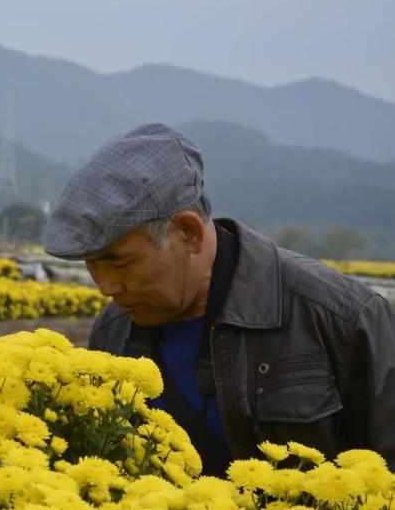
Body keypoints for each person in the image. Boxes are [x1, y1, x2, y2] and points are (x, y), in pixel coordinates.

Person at [43, 123, 395, 476]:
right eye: (92, 264)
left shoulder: (339, 317)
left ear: (188, 232)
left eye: (119, 262)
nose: (105, 286)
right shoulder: (114, 329)